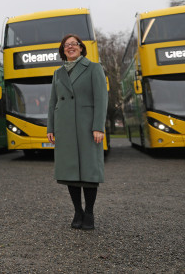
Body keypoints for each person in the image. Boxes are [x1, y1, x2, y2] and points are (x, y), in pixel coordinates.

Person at [46, 34, 108, 230]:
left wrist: (98, 126)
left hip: (87, 126)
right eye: (66, 45)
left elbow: (101, 99)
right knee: (69, 171)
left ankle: (89, 212)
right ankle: (77, 211)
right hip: (65, 127)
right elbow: (52, 102)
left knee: (89, 170)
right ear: (63, 50)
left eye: (74, 44)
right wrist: (51, 127)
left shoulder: (94, 68)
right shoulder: (58, 73)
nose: (70, 47)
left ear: (81, 48)